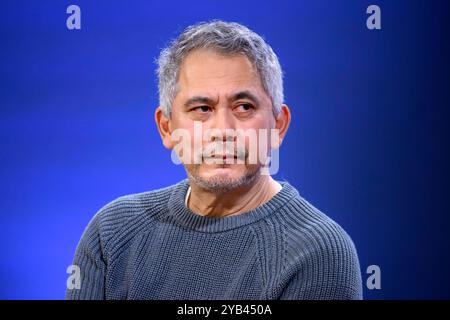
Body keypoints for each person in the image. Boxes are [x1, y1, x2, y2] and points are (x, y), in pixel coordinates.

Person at [66, 20, 363, 300]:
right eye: (202, 108)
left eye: (244, 107)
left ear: (278, 125)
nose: (223, 130)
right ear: (167, 128)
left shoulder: (318, 252)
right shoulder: (113, 232)